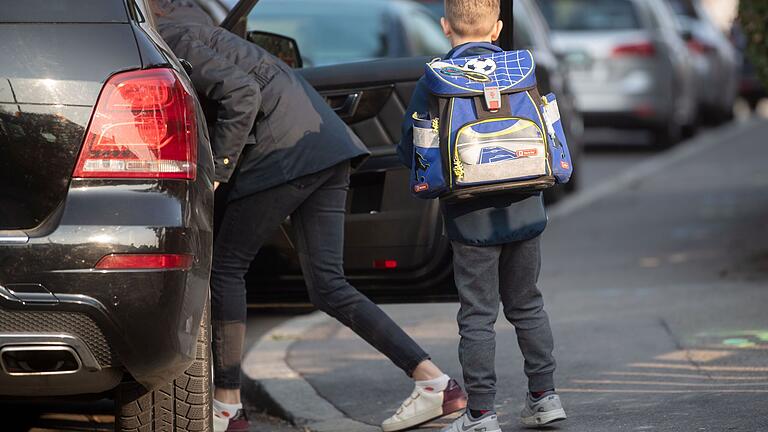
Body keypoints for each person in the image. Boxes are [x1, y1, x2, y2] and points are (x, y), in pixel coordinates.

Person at [148, 1, 467, 431]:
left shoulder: (171, 40)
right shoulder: (204, 29)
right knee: (329, 287)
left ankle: (227, 407)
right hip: (327, 148)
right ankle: (436, 385)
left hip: (284, 157)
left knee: (225, 269)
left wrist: (218, 172)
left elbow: (241, 93)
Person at [397, 1, 568, 430]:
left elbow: (411, 146)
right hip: (527, 208)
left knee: (477, 316)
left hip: (468, 218)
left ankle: (481, 413)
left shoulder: (435, 79)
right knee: (528, 304)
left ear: (444, 27)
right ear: (498, 28)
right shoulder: (521, 69)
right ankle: (545, 397)